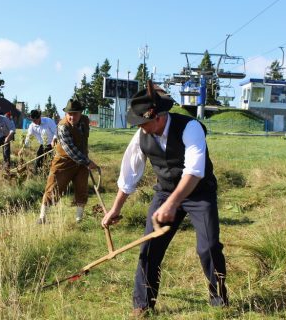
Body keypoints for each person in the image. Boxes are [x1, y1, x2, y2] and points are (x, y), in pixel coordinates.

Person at [101, 82, 228, 316]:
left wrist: (173, 204)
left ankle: (219, 300)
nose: (142, 128)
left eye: (144, 123)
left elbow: (194, 171)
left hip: (199, 193)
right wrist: (115, 209)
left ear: (158, 117)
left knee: (208, 247)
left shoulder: (190, 128)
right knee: (149, 249)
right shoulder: (142, 136)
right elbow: (129, 175)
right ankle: (142, 305)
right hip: (166, 191)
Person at [38, 99, 98, 224]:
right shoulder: (62, 126)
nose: (72, 117)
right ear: (66, 114)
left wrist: (84, 160)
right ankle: (42, 217)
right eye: (69, 114)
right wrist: (87, 162)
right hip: (64, 161)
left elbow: (82, 140)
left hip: (81, 160)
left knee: (82, 188)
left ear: (81, 113)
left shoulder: (85, 121)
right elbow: (70, 150)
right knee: (53, 187)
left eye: (75, 113)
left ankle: (79, 219)